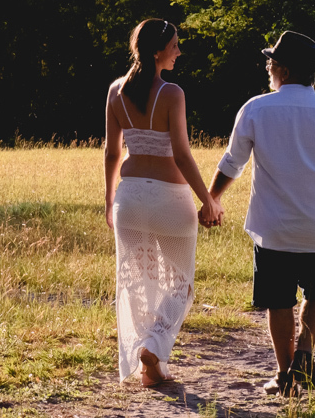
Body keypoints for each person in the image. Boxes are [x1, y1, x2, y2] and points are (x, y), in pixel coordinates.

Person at [200, 30, 315, 397]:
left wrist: (212, 198)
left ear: (284, 71)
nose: (268, 67)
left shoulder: (256, 108)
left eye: (271, 62)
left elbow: (232, 164)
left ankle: (285, 372)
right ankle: (305, 351)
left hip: (271, 229)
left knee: (279, 300)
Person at [105, 19, 224, 386]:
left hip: (129, 199)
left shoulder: (115, 91)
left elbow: (113, 152)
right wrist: (209, 201)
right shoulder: (172, 93)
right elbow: (183, 156)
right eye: (174, 45)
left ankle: (148, 359)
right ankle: (153, 348)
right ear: (157, 51)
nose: (178, 51)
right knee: (182, 284)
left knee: (138, 281)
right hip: (169, 199)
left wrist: (109, 202)